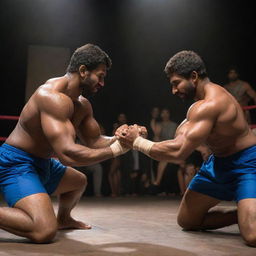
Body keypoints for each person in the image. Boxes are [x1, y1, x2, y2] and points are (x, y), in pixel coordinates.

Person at [117, 50, 256, 246]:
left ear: (193, 76)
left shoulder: (212, 103)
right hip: (218, 163)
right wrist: (142, 133)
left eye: (176, 83)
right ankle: (241, 214)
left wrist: (137, 142)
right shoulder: (199, 105)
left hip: (247, 163)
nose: (173, 90)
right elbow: (178, 138)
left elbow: (177, 152)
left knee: (252, 236)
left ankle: (249, 218)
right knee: (188, 220)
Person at [0, 44, 136, 243]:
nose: (102, 83)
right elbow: (67, 154)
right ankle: (50, 221)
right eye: (100, 76)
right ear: (83, 71)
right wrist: (116, 149)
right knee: (44, 231)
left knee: (77, 182)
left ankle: (63, 219)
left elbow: (95, 140)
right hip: (17, 164)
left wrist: (122, 137)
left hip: (42, 164)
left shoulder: (82, 104)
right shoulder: (51, 97)